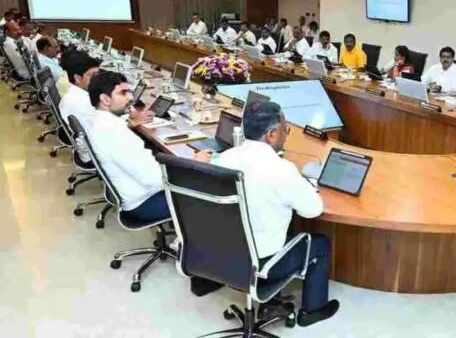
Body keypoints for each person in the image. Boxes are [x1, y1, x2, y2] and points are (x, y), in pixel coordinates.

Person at [213, 100, 340, 327]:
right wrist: (306, 186)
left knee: (276, 219)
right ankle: (313, 310)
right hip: (261, 263)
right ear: (271, 134)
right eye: (285, 129)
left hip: (220, 253)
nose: (286, 134)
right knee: (320, 244)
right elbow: (313, 210)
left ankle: (272, 299)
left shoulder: (224, 158)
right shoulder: (282, 169)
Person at [85, 71, 206, 222]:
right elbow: (156, 180)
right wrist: (193, 164)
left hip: (136, 192)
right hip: (147, 203)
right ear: (105, 99)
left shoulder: (98, 120)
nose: (131, 97)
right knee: (214, 185)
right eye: (123, 93)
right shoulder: (115, 133)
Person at [58, 51, 102, 124]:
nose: (98, 79)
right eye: (93, 76)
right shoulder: (85, 102)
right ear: (77, 78)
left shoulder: (70, 90)